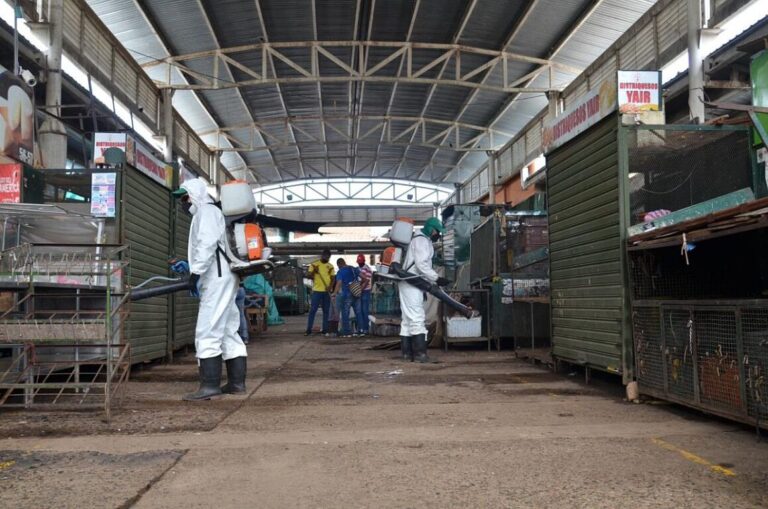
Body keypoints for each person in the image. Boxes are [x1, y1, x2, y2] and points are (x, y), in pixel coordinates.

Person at [172, 178, 247, 400]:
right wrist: (193, 269)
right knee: (227, 331)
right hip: (222, 277)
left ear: (195, 195)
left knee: (207, 330)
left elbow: (207, 243)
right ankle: (236, 383)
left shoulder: (206, 211)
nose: (183, 203)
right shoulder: (210, 213)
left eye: (184, 198)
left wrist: (195, 274)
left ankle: (209, 386)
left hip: (216, 277)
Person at [398, 217, 445, 363]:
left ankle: (407, 354)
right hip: (413, 283)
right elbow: (422, 264)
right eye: (437, 232)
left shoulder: (420, 240)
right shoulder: (421, 240)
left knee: (407, 319)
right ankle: (420, 354)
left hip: (408, 282)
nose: (438, 234)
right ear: (431, 229)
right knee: (417, 317)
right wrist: (436, 278)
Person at [305, 248, 335, 336]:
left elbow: (333, 278)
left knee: (326, 311)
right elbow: (308, 275)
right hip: (317, 291)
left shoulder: (330, 266)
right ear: (322, 255)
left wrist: (330, 287)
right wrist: (315, 270)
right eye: (325, 256)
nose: (327, 258)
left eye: (328, 257)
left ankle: (325, 330)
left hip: (326, 292)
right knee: (313, 310)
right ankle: (308, 329)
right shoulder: (314, 264)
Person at [333, 258, 361, 337]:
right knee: (358, 313)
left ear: (339, 265)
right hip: (356, 293)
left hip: (347, 294)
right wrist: (360, 288)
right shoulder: (353, 268)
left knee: (345, 313)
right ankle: (361, 330)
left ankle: (347, 332)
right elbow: (364, 278)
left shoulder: (340, 271)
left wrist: (334, 293)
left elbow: (339, 283)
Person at [356, 254, 372, 336]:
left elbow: (367, 281)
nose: (359, 264)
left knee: (364, 310)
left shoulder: (367, 269)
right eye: (359, 262)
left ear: (364, 261)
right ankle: (361, 328)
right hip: (360, 291)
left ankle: (366, 329)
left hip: (365, 291)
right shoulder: (358, 268)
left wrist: (359, 290)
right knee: (359, 311)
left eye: (361, 262)